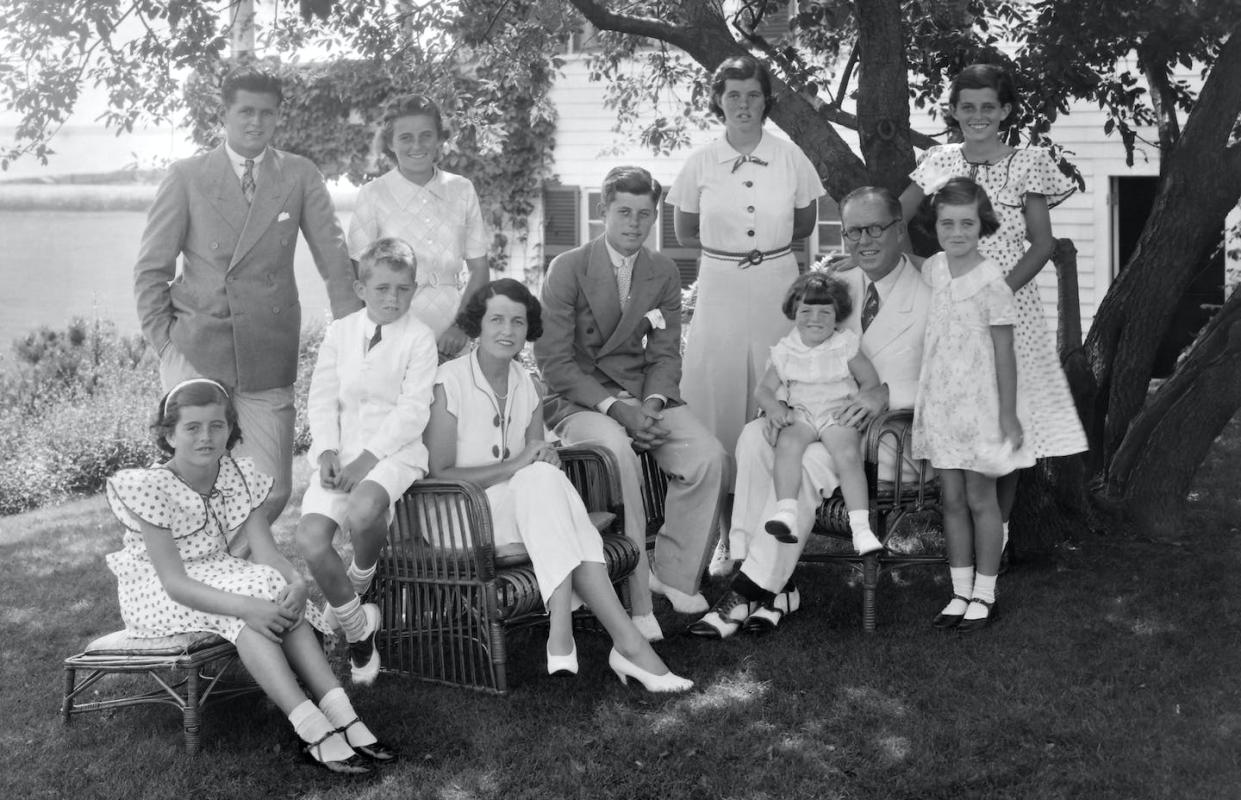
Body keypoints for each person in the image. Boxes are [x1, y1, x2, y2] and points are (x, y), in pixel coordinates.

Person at [104, 380, 395, 775]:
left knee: (271, 585)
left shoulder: (235, 474)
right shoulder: (150, 487)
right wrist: (249, 608)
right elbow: (174, 582)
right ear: (169, 434)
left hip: (216, 572)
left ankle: (341, 713)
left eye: (217, 426)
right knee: (252, 602)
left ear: (230, 429)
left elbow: (267, 553)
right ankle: (311, 727)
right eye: (192, 428)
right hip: (155, 589)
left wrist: (295, 584)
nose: (206, 437)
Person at [426, 279, 693, 693]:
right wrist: (522, 464)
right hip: (459, 514)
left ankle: (581, 637)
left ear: (528, 329)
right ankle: (619, 643)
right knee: (541, 482)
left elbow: (536, 453)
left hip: (523, 508)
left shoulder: (526, 384)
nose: (507, 330)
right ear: (476, 324)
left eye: (518, 321)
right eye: (496, 319)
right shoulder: (449, 382)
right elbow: (439, 473)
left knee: (543, 475)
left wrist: (544, 456)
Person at [690, 187, 931, 638]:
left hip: (887, 439)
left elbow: (952, 380)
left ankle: (747, 592)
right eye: (853, 231)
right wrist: (778, 404)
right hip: (820, 421)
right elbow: (801, 354)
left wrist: (886, 393)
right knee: (752, 437)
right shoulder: (839, 288)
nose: (864, 240)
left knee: (804, 462)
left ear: (899, 230)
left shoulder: (932, 292)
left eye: (875, 228)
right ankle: (768, 576)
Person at [134, 66, 361, 524]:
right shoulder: (187, 176)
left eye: (267, 113)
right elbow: (151, 270)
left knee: (271, 490)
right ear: (224, 114)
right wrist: (165, 345)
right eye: (245, 112)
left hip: (267, 351)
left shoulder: (298, 174)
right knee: (195, 485)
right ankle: (216, 589)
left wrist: (356, 338)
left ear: (278, 118)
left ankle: (224, 578)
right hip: (197, 347)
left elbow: (335, 259)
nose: (256, 122)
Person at [535, 166, 728, 627]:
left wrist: (653, 405)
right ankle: (637, 595)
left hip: (644, 396)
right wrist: (619, 410)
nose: (634, 223)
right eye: (624, 211)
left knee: (709, 456)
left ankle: (675, 575)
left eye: (645, 214)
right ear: (604, 212)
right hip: (579, 399)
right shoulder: (567, 268)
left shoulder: (662, 270)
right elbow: (553, 362)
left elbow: (665, 354)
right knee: (618, 451)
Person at [899, 62, 1086, 529]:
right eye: (967, 107)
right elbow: (893, 216)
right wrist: (912, 263)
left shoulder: (1028, 161)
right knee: (964, 406)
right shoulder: (940, 159)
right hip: (953, 308)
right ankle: (970, 532)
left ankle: (996, 538)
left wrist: (997, 291)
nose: (977, 115)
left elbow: (1042, 243)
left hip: (1010, 304)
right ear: (954, 111)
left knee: (1007, 416)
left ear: (1005, 110)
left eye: (988, 107)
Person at [295, 238, 438, 684]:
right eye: (381, 288)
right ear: (360, 288)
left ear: (415, 289)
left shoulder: (420, 337)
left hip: (395, 452)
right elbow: (321, 398)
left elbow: (414, 410)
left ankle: (357, 583)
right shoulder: (340, 332)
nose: (392, 298)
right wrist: (327, 452)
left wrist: (367, 461)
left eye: (403, 288)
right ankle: (360, 631)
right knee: (312, 541)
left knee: (363, 510)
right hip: (342, 452)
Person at [667, 54, 825, 457]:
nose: (743, 104)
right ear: (718, 99)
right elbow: (685, 231)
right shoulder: (700, 162)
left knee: (783, 375)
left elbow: (804, 224)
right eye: (733, 95)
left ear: (766, 101)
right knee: (717, 380)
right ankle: (719, 501)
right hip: (721, 286)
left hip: (778, 281)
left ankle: (778, 497)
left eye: (753, 95)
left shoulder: (791, 157)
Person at [915, 177, 1032, 631]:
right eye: (947, 223)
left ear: (982, 226)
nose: (957, 232)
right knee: (952, 500)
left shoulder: (992, 283)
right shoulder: (936, 268)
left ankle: (986, 592)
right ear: (936, 226)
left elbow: (1005, 351)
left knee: (982, 499)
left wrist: (1007, 415)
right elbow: (907, 262)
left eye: (967, 223)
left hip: (982, 407)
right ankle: (959, 590)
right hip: (943, 404)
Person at [348, 94, 491, 359]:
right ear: (390, 142)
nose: (417, 145)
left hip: (453, 332)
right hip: (393, 332)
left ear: (439, 139)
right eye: (405, 137)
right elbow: (358, 274)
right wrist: (381, 333)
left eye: (426, 135)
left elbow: (480, 269)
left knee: (451, 400)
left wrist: (462, 327)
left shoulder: (462, 189)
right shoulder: (373, 194)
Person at [757, 272, 884, 556]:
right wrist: (775, 407)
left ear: (837, 315)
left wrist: (861, 404)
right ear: (794, 312)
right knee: (787, 445)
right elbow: (763, 390)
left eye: (825, 312)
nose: (815, 318)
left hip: (835, 412)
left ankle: (861, 528)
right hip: (801, 412)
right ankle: (786, 511)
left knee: (847, 455)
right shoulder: (786, 351)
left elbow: (870, 382)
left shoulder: (844, 346)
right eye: (806, 311)